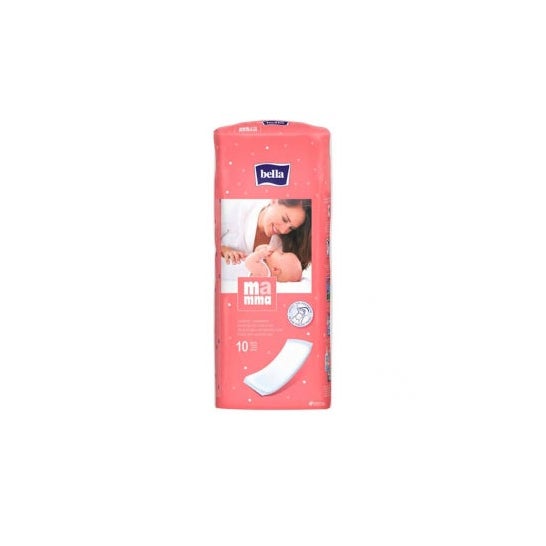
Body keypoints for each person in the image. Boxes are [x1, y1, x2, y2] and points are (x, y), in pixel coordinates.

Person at [220, 198, 312, 270]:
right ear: (274, 200)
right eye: (284, 219)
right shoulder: (232, 209)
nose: (283, 231)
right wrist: (224, 250)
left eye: (291, 228)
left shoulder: (284, 246)